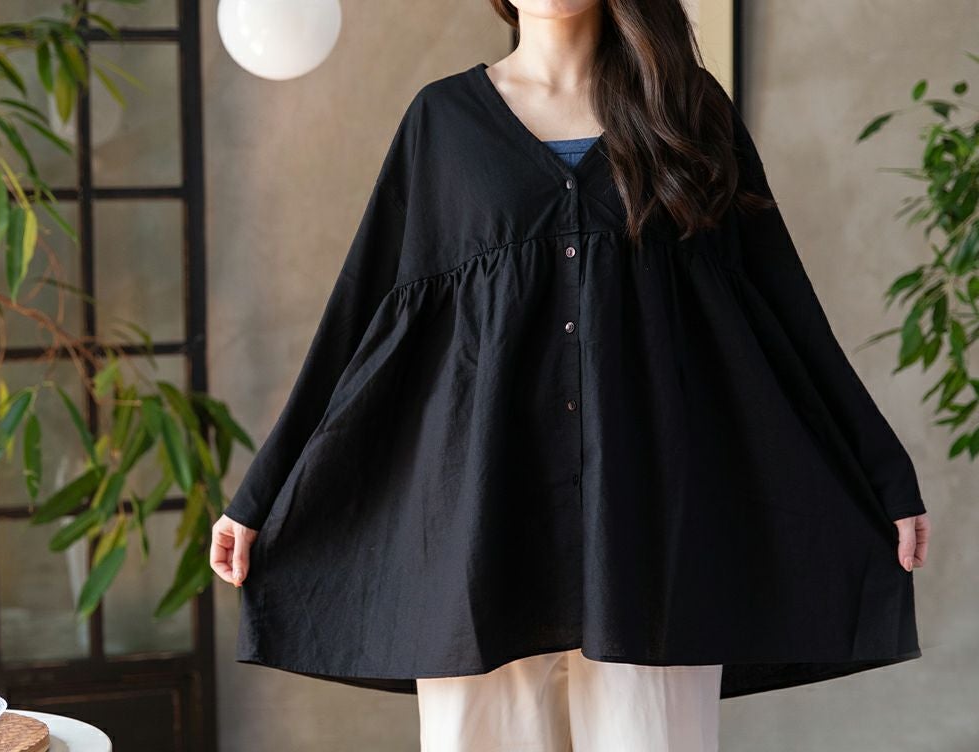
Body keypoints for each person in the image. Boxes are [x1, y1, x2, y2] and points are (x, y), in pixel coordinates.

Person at [210, 1, 932, 749]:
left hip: (649, 539)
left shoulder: (685, 109)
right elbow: (361, 313)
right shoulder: (442, 122)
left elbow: (782, 304)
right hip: (478, 536)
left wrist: (882, 469)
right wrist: (262, 493)